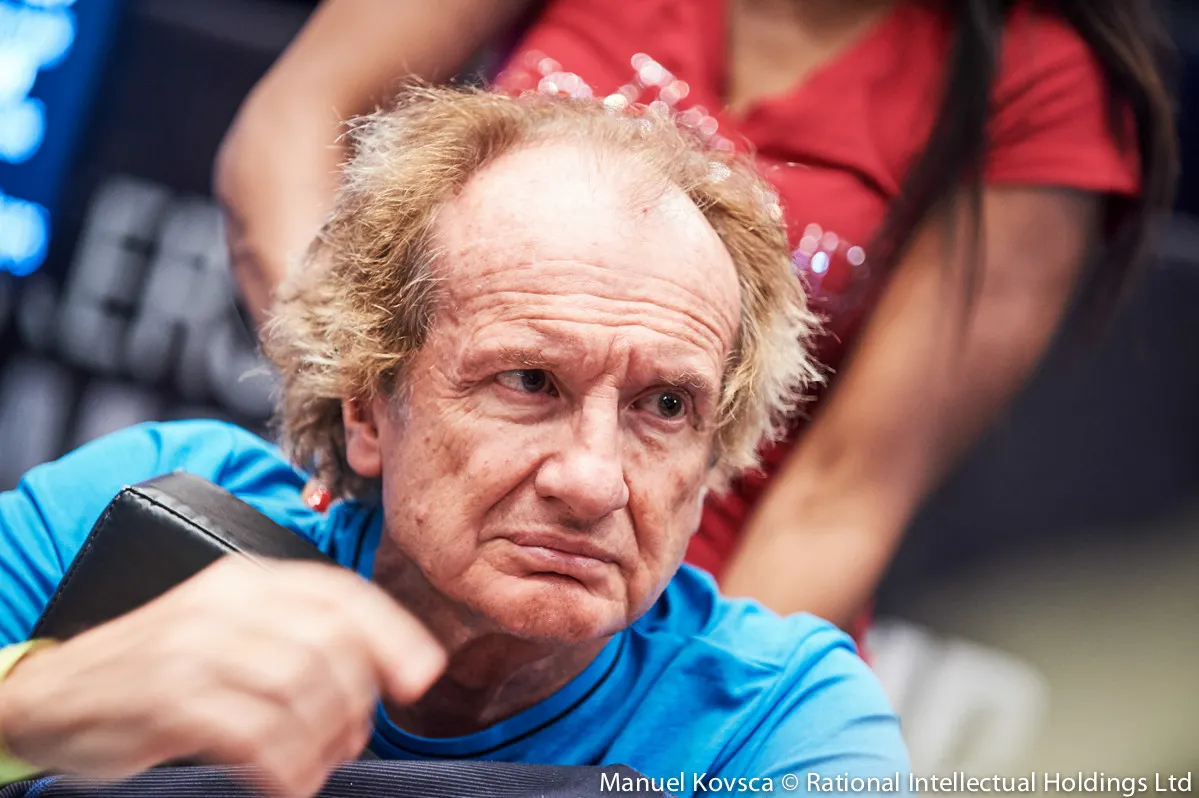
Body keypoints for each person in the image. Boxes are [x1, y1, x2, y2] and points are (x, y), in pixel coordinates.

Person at [0, 88, 909, 797]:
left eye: (665, 405)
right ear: (367, 410)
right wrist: (35, 708)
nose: (593, 481)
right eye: (528, 381)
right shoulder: (138, 509)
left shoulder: (771, 722)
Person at [214, 0, 1177, 637]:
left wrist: (669, 717)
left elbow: (842, 496)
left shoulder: (1040, 77)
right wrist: (363, 392)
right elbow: (290, 122)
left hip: (685, 611)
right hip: (402, 533)